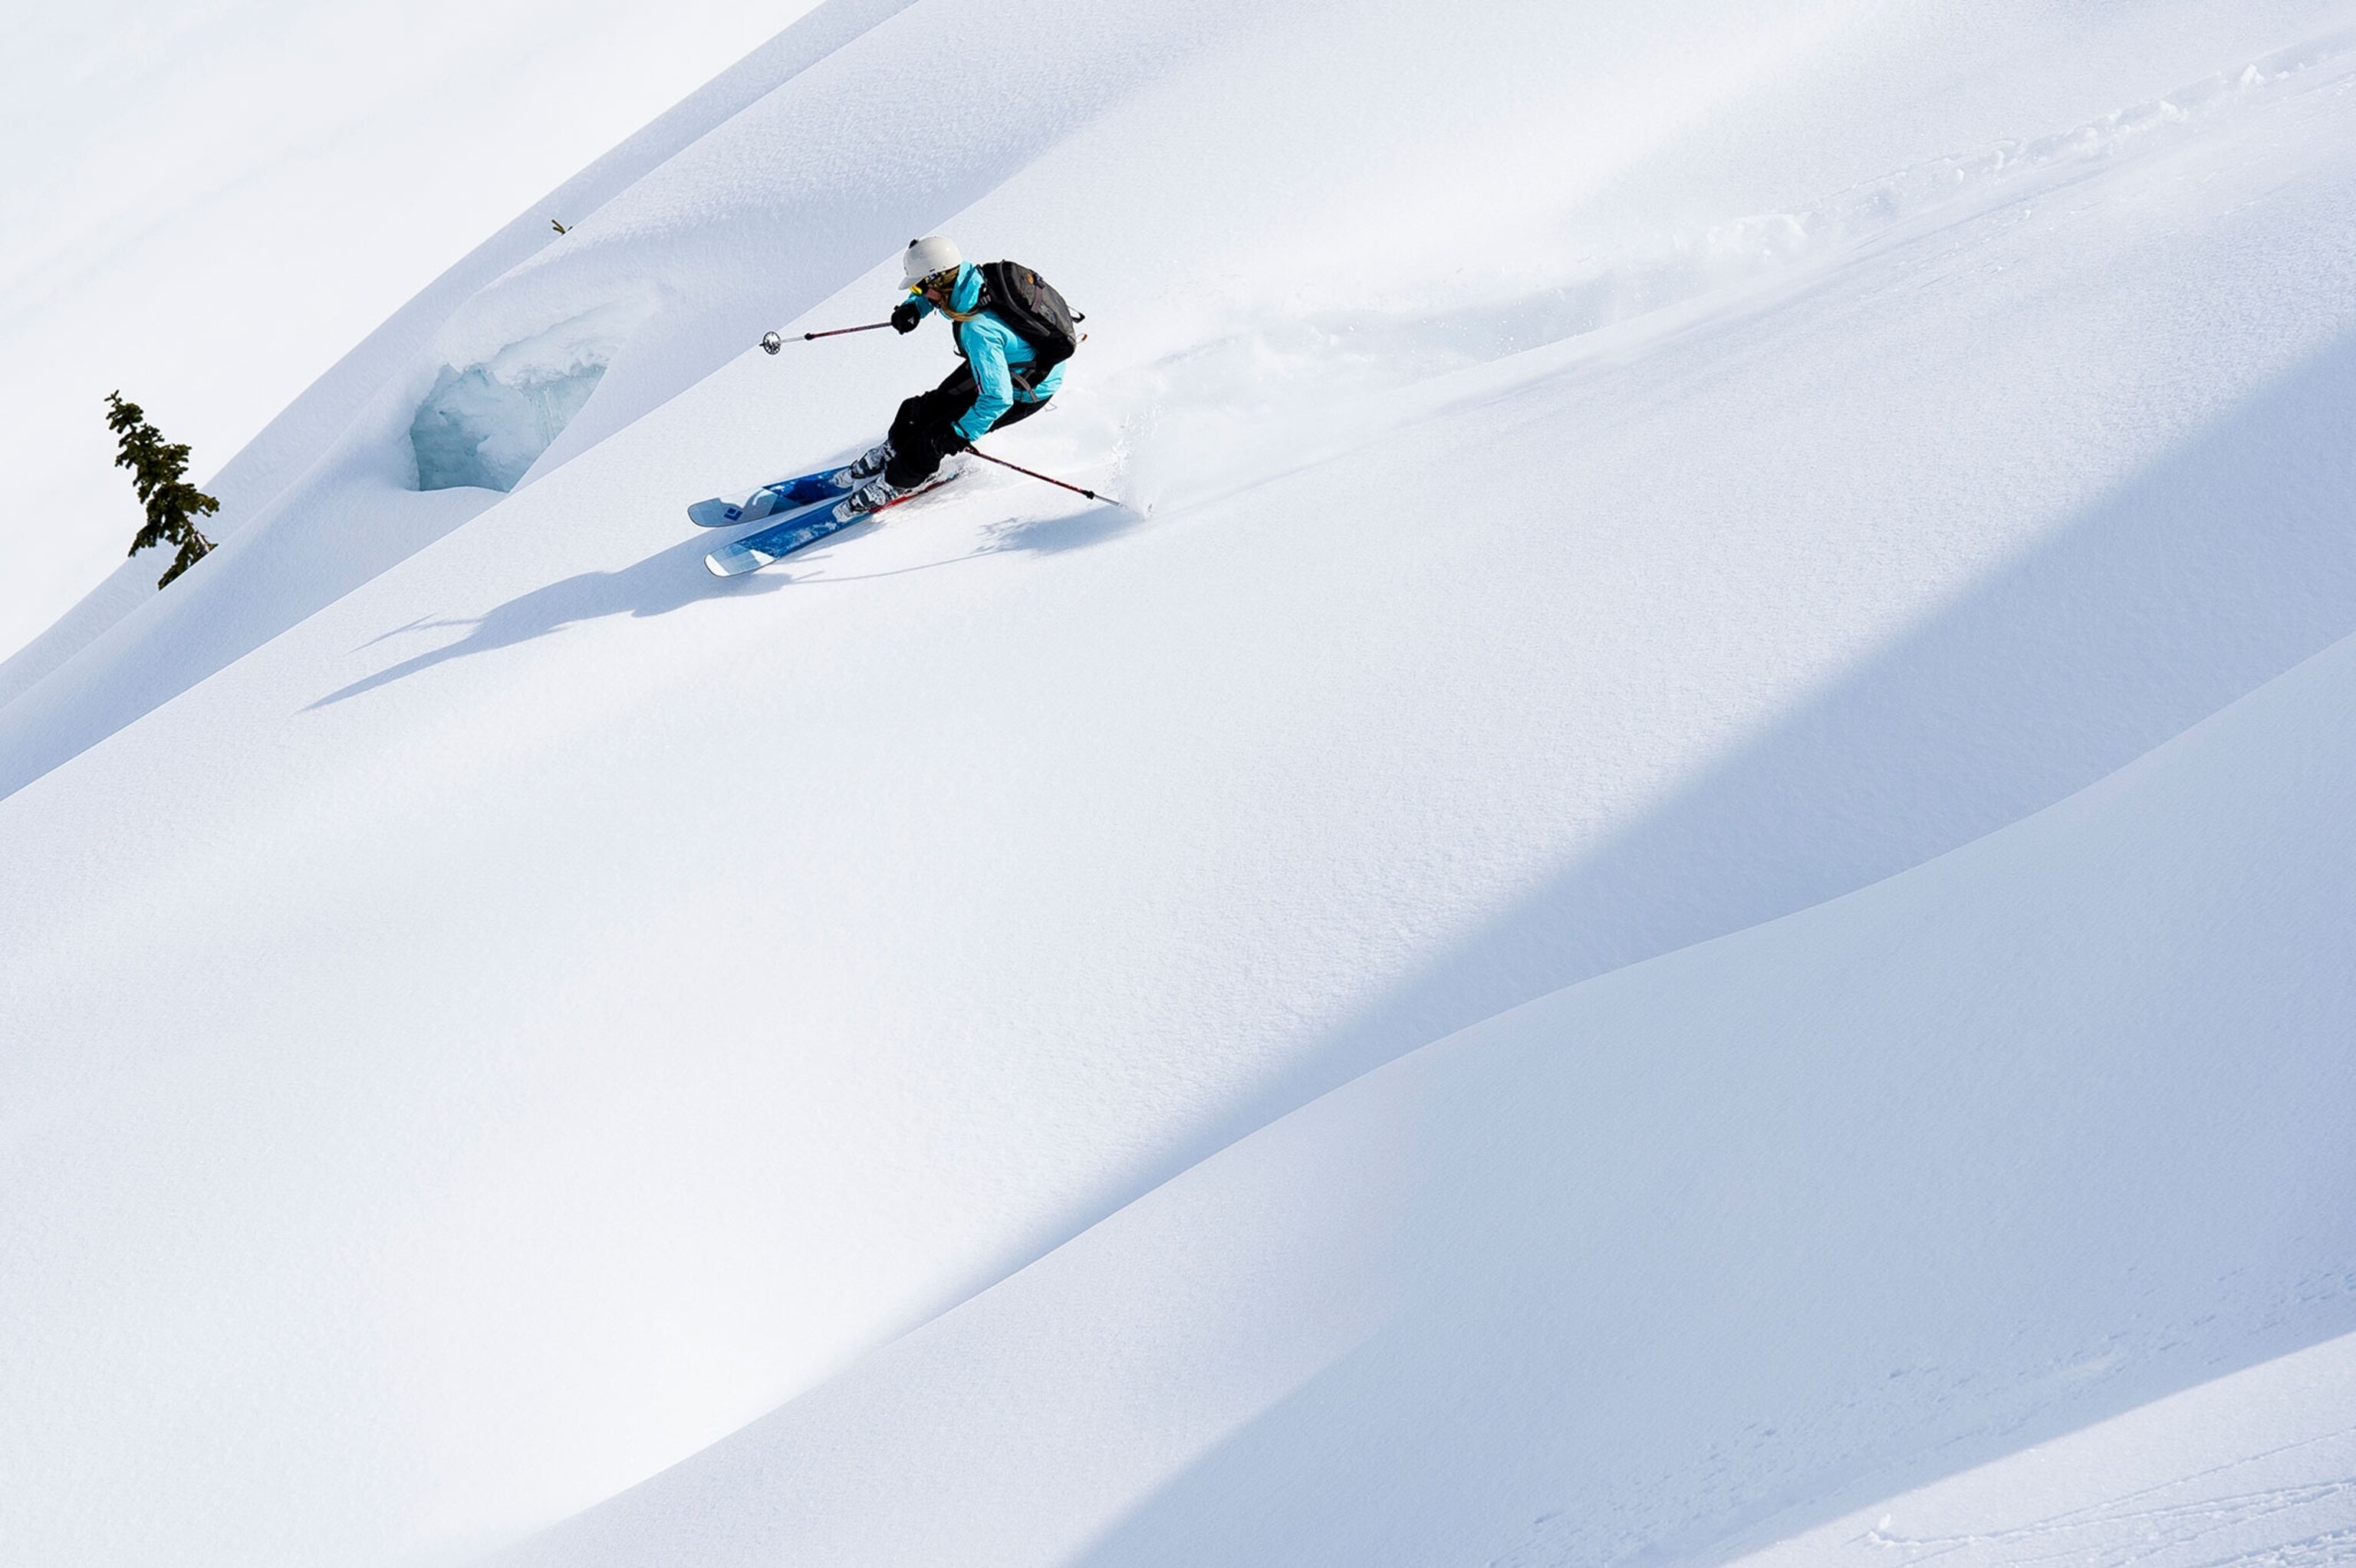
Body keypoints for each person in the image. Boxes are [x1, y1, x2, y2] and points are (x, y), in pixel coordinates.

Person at [837, 235, 1068, 514]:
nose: (919, 292)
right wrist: (914, 307)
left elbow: (997, 399)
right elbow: (941, 293)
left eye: (919, 287)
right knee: (918, 409)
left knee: (934, 437)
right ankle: (894, 449)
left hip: (1025, 388)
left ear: (938, 281)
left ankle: (897, 482)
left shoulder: (977, 329)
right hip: (1003, 363)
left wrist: (958, 434)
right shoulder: (970, 280)